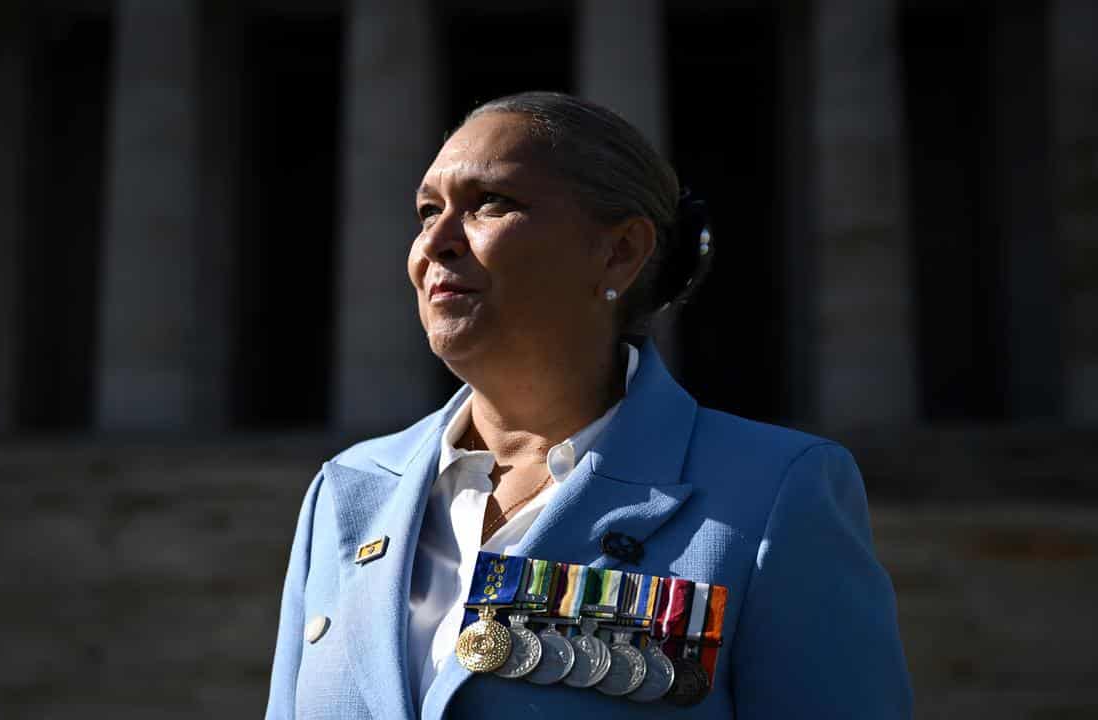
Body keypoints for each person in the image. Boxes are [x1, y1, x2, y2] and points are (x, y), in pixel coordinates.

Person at [264, 91, 912, 720]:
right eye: (428, 210)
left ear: (620, 251)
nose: (436, 242)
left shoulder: (775, 493)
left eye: (489, 202)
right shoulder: (349, 491)